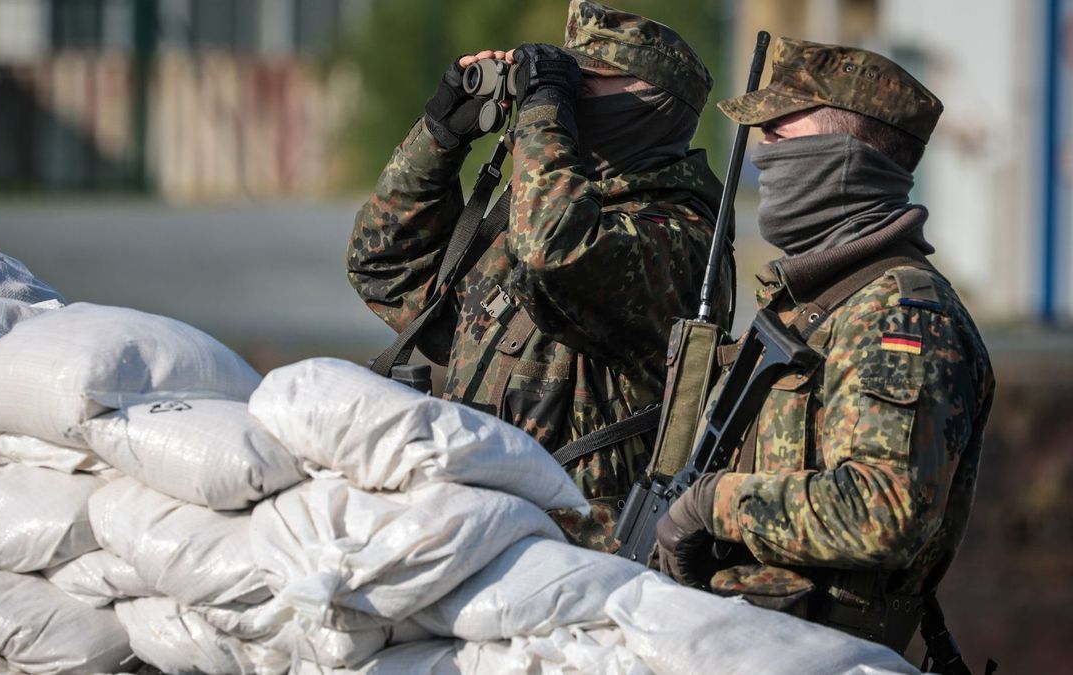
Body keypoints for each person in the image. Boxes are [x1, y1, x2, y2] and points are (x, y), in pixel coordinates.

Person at [347, 0, 733, 549]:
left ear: (649, 104)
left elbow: (554, 249)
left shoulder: (676, 236)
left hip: (583, 550)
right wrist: (439, 138)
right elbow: (383, 267)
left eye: (585, 83)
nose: (568, 100)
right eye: (564, 83)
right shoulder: (540, 212)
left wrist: (543, 110)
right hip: (484, 525)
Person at [653, 37, 995, 653]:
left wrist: (712, 504)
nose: (763, 154)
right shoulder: (813, 303)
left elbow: (884, 512)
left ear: (843, 155)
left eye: (780, 136)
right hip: (744, 643)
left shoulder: (900, 315)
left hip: (818, 654)